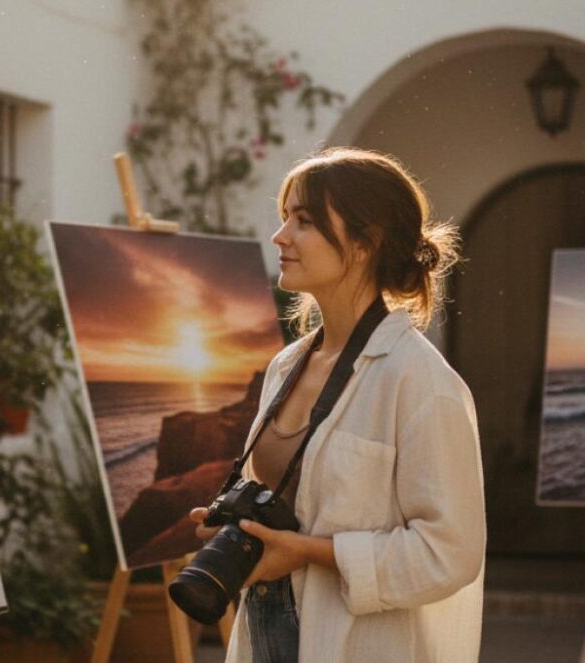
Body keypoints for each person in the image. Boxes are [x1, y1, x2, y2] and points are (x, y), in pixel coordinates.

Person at [189, 147, 486, 663]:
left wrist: (308, 553)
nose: (280, 236)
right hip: (264, 626)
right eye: (284, 217)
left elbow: (450, 552)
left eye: (303, 221)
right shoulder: (286, 366)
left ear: (366, 242)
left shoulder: (420, 381)